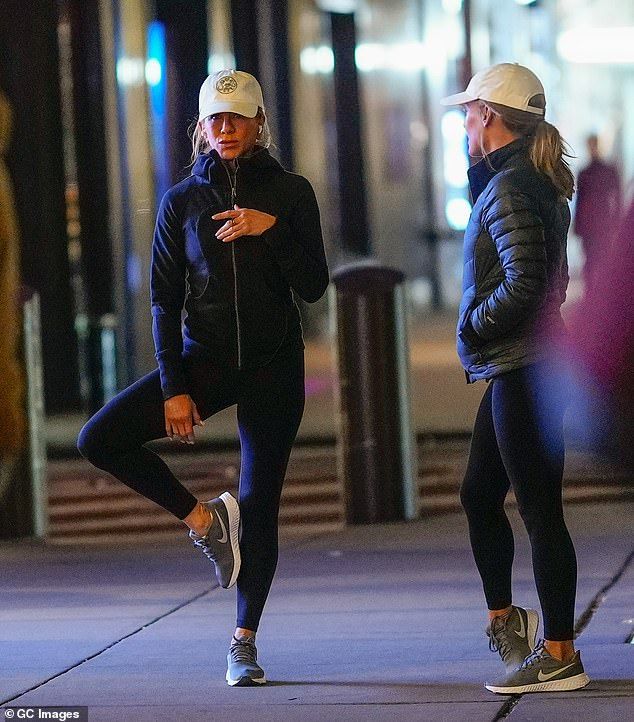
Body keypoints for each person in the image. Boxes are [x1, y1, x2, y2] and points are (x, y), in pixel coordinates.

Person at [78, 70, 329, 686]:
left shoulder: (292, 193)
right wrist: (173, 386)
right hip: (205, 358)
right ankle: (204, 523)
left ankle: (243, 642)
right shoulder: (181, 203)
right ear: (201, 128)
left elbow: (315, 285)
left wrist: (272, 230)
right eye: (216, 120)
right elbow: (164, 300)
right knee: (100, 438)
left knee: (260, 499)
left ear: (259, 123)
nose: (227, 130)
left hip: (273, 363)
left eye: (238, 118)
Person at [440, 63, 590, 695]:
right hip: (515, 366)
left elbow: (526, 281)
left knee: (539, 510)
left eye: (470, 113)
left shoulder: (510, 189)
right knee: (479, 493)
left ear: (491, 119)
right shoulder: (524, 181)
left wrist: (473, 322)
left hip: (522, 365)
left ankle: (560, 653)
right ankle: (509, 621)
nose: (466, 124)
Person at [573, 134, 621, 292]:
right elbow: (580, 201)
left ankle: (599, 292)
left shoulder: (601, 171)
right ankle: (593, 292)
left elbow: (616, 197)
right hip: (592, 224)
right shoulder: (587, 172)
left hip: (601, 222)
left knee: (600, 258)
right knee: (591, 260)